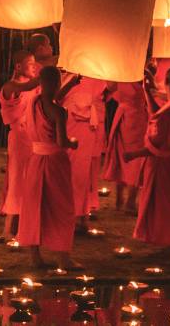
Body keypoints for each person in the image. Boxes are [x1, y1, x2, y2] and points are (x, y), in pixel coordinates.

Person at [125, 66, 170, 262]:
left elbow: (159, 143)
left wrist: (134, 154)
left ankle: (169, 248)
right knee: (168, 203)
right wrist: (147, 93)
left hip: (164, 164)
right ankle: (167, 245)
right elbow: (158, 116)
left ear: (168, 83)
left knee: (166, 205)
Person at [17, 67, 81, 269]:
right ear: (57, 84)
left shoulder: (33, 102)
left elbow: (51, 99)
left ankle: (34, 256)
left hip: (36, 159)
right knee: (61, 207)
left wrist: (70, 83)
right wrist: (73, 142)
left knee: (35, 205)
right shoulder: (58, 112)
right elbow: (62, 142)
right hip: (54, 161)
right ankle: (63, 257)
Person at [0, 50, 41, 234]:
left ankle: (26, 226)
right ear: (18, 66)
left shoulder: (34, 87)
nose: (34, 67)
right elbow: (29, 85)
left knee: (31, 182)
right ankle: (10, 228)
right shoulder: (10, 87)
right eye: (30, 63)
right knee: (17, 181)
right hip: (19, 138)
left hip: (33, 138)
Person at [62, 75, 110, 230]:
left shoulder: (97, 75)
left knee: (82, 172)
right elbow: (57, 96)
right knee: (71, 171)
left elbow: (109, 88)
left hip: (87, 126)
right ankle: (69, 214)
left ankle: (80, 214)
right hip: (71, 123)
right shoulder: (67, 75)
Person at [102, 80, 149, 212]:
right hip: (133, 118)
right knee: (134, 159)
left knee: (122, 155)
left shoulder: (121, 75)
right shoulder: (140, 76)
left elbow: (110, 88)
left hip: (125, 117)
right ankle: (129, 201)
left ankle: (121, 199)